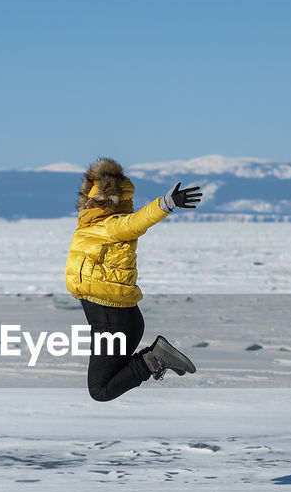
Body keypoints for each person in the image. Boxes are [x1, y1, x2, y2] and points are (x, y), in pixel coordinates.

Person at [65, 157, 202, 402]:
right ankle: (154, 357)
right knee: (103, 386)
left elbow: (136, 222)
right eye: (87, 196)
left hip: (113, 319)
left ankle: (156, 357)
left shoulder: (113, 225)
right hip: (112, 319)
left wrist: (165, 204)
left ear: (107, 203)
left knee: (100, 390)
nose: (86, 201)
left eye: (93, 198)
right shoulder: (90, 228)